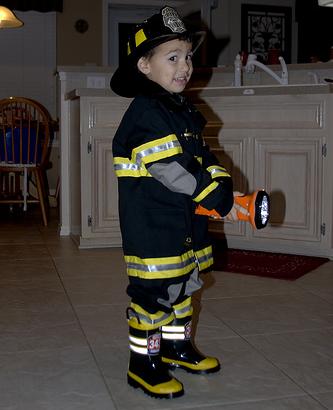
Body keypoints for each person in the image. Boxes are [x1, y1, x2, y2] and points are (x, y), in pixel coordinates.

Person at [111, 6, 240, 399]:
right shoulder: (146, 113)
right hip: (153, 228)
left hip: (185, 225)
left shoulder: (182, 110)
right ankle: (144, 363)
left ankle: (176, 347)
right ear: (144, 66)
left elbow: (202, 157)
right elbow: (171, 168)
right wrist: (210, 192)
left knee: (185, 287)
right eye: (172, 57)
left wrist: (221, 181)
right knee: (154, 297)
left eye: (187, 56)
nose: (184, 66)